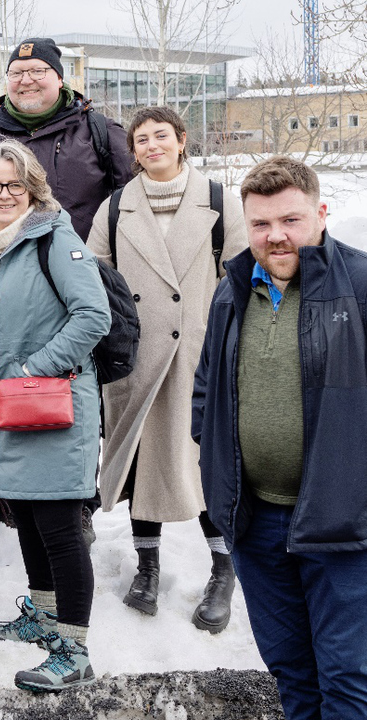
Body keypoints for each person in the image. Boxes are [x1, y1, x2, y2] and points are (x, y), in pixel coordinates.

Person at [193, 156, 367, 720]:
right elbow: (207, 387)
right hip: (256, 521)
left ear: (320, 213)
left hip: (345, 527)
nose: (276, 237)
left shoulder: (360, 286)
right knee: (291, 670)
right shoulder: (233, 290)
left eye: (290, 221)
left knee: (348, 679)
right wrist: (212, 448)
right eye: (261, 225)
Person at [0, 38, 132, 535]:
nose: (27, 79)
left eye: (38, 70)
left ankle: (76, 503)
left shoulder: (95, 129)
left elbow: (131, 200)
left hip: (69, 281)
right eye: (17, 71)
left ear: (60, 78)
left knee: (65, 394)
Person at [0, 141, 109, 692]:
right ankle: (42, 616)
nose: (3, 194)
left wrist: (33, 371)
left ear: (33, 187)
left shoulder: (54, 239)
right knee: (28, 517)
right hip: (7, 408)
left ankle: (75, 649)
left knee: (61, 528)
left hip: (53, 404)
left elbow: (93, 316)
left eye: (14, 184)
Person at [86, 106, 248, 630]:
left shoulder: (221, 202)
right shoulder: (115, 209)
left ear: (182, 141)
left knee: (205, 469)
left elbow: (243, 280)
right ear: (132, 151)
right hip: (138, 360)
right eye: (141, 140)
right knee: (143, 465)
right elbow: (96, 280)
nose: (152, 145)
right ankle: (147, 567)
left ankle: (224, 570)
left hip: (200, 359)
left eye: (162, 136)